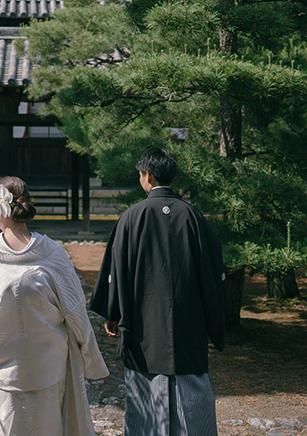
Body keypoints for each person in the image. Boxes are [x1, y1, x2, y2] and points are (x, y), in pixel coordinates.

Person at [0, 176, 108, 436]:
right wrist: (89, 359)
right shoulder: (52, 254)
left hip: (2, 367)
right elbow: (76, 312)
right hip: (48, 366)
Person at [89, 147, 227, 436]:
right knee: (192, 400)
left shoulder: (131, 217)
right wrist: (214, 322)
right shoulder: (193, 217)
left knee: (144, 400)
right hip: (188, 328)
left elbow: (116, 270)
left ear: (147, 176)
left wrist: (112, 313)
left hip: (144, 330)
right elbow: (214, 273)